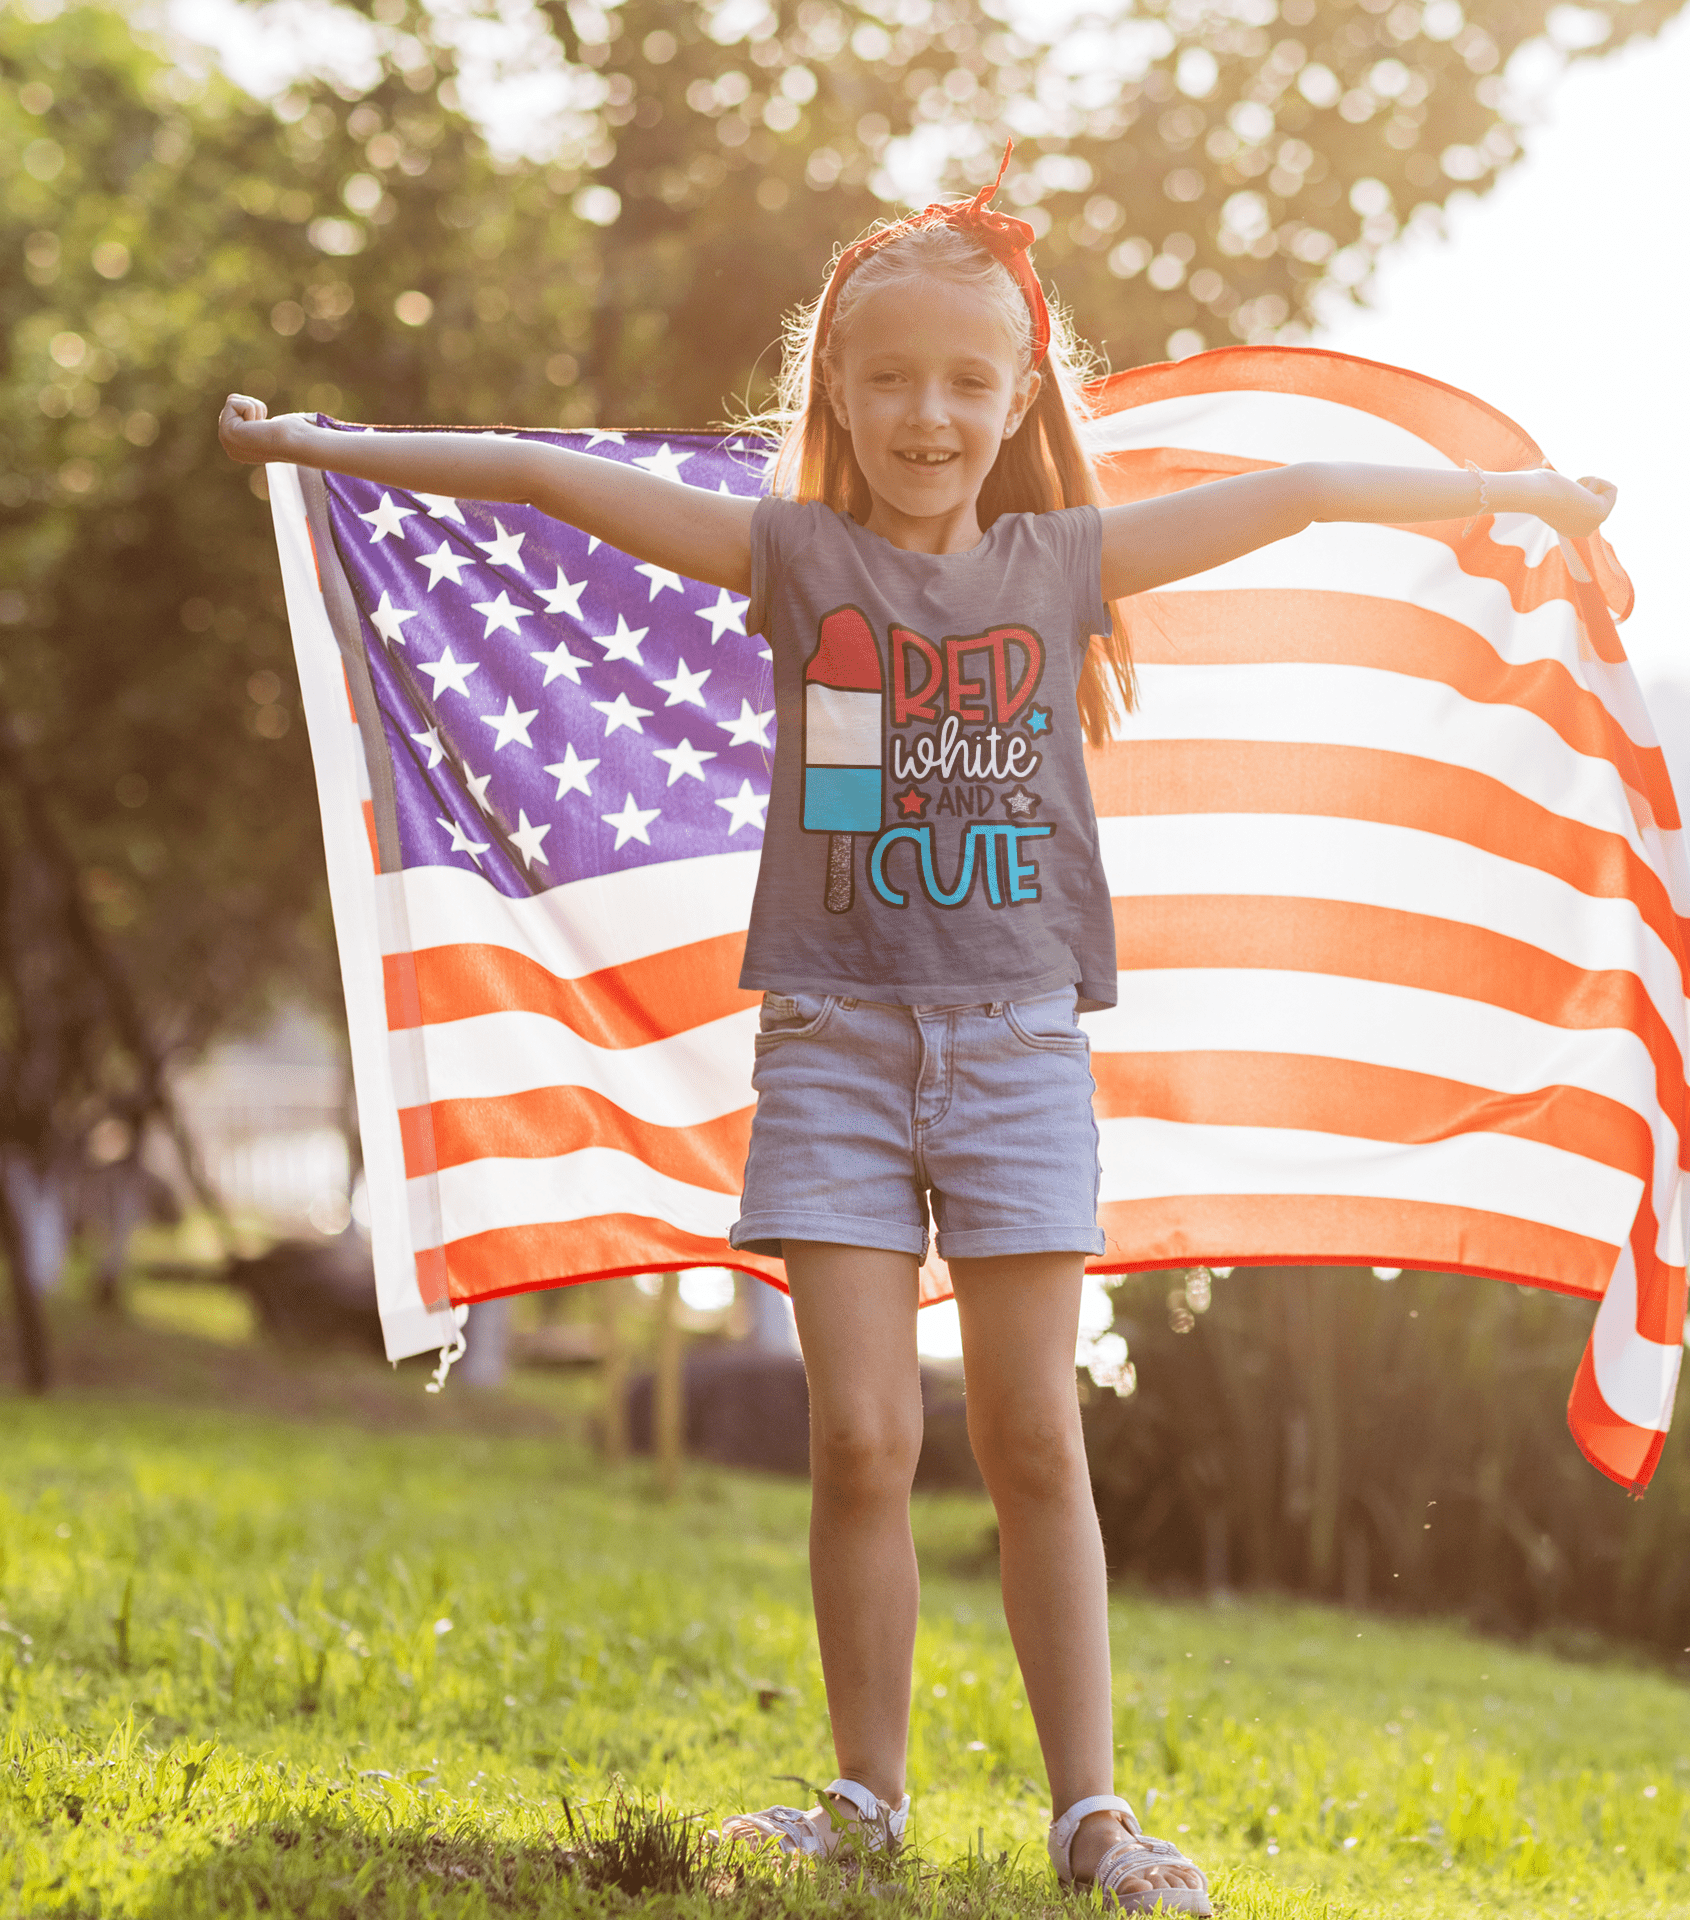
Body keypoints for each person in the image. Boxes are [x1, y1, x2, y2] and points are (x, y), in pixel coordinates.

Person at [220, 146, 1613, 1915]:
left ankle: (1091, 1815)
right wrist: (323, 450)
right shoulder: (793, 555)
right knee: (862, 1440)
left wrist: (1529, 494)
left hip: (1021, 1053)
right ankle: (861, 1800)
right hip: (837, 1055)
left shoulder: (1062, 561)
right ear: (840, 396)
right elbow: (540, 479)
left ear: (1019, 395)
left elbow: (1305, 491)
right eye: (888, 381)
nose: (927, 414)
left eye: (965, 382)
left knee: (1036, 1437)